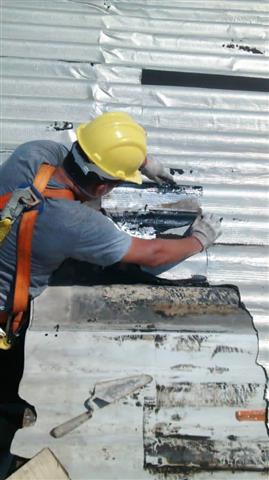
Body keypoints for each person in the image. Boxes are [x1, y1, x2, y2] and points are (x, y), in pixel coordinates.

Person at [0, 111, 222, 477]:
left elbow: (86, 155)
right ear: (103, 187)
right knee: (8, 403)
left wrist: (141, 162)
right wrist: (198, 240)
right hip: (5, 318)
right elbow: (151, 256)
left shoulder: (33, 153)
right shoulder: (74, 223)